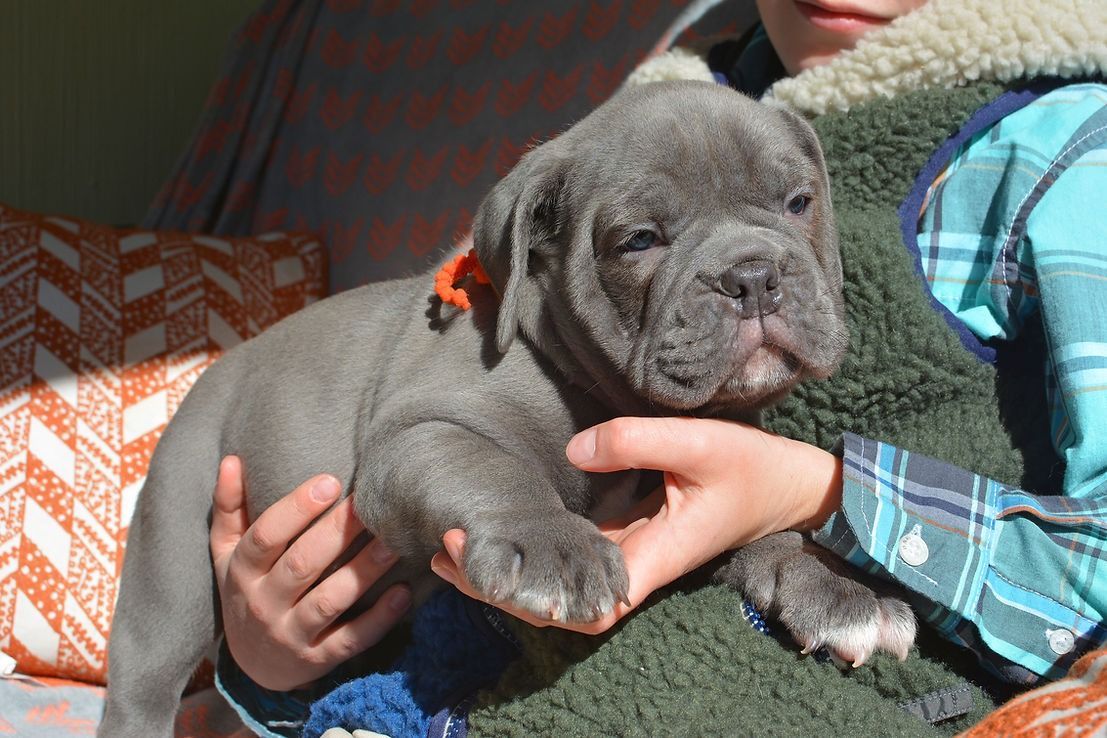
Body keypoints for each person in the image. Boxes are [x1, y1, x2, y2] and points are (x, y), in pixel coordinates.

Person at [211, 0, 1107, 720]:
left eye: (794, 205)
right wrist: (267, 678)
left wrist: (818, 498)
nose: (751, 279)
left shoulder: (1063, 156)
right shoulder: (660, 97)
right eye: (642, 238)